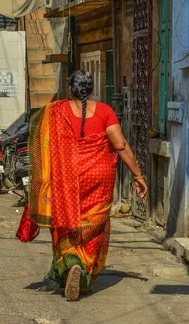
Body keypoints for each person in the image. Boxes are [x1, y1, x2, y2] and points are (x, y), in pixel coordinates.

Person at [28, 69, 148, 302]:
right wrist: (138, 175)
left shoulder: (56, 111)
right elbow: (121, 145)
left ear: (70, 88)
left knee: (67, 221)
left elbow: (40, 138)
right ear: (92, 89)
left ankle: (72, 260)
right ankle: (84, 271)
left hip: (67, 177)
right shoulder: (105, 111)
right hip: (99, 175)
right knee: (94, 222)